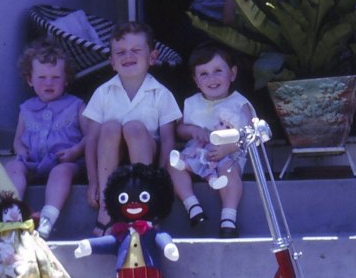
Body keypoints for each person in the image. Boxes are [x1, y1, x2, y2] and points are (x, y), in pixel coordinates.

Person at [83, 21, 182, 236]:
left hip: (146, 158)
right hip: (111, 161)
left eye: (136, 50)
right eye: (120, 52)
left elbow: (167, 140)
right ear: (112, 61)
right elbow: (91, 140)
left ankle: (145, 208)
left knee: (135, 128)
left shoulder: (161, 94)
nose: (128, 56)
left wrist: (162, 181)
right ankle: (106, 211)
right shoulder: (103, 93)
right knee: (109, 127)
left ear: (152, 57)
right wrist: (92, 182)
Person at [167, 42, 257, 238]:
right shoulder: (191, 103)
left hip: (229, 155)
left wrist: (228, 148)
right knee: (174, 165)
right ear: (196, 80)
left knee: (229, 171)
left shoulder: (240, 104)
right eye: (204, 74)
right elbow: (180, 130)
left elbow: (252, 135)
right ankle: (193, 207)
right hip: (198, 155)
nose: (212, 78)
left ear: (232, 74)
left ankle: (228, 219)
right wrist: (191, 129)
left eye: (218, 71)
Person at [5, 38, 88, 239]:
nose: (48, 82)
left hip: (65, 161)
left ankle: (47, 218)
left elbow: (91, 137)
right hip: (33, 162)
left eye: (55, 77)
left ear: (66, 79)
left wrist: (75, 151)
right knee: (12, 167)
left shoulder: (76, 105)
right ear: (30, 79)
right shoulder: (26, 109)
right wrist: (21, 150)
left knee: (61, 172)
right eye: (42, 77)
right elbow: (18, 139)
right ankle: (13, 212)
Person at [169, 105, 248, 190]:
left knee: (212, 173)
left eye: (228, 127)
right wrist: (194, 152)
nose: (222, 128)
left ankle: (214, 182)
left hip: (214, 163)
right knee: (194, 163)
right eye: (221, 124)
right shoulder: (210, 136)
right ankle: (182, 165)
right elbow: (200, 144)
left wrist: (225, 151)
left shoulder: (227, 145)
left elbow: (245, 140)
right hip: (201, 157)